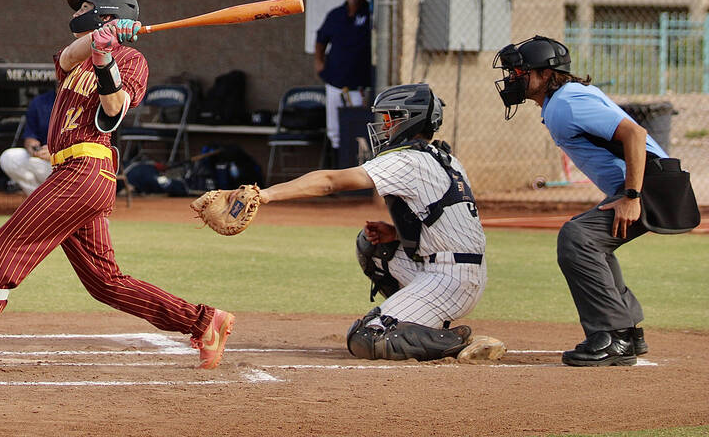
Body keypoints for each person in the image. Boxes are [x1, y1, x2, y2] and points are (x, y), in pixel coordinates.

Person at [0, 0, 235, 373]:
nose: (76, 13)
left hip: (86, 169)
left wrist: (106, 57)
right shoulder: (77, 59)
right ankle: (203, 322)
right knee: (105, 282)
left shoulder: (133, 61)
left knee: (7, 242)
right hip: (69, 171)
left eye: (84, 7)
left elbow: (113, 109)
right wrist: (99, 42)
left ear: (108, 14)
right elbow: (67, 56)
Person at [230, 83, 504, 363]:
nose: (383, 126)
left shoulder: (408, 160)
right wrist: (397, 234)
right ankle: (416, 318)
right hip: (451, 269)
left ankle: (461, 343)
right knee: (373, 247)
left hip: (451, 279)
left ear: (410, 120)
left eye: (390, 118)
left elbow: (330, 182)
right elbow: (451, 223)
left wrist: (265, 194)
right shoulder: (445, 159)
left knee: (367, 338)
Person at [494, 35, 663, 367]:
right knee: (589, 240)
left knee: (578, 237)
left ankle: (612, 336)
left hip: (652, 187)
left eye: (520, 72)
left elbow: (635, 134)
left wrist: (631, 196)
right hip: (652, 184)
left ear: (546, 74)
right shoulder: (563, 100)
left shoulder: (567, 101)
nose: (513, 78)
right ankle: (628, 331)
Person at [314, 0, 372, 164]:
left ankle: (355, 167)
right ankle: (336, 166)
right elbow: (321, 40)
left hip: (359, 85)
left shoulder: (370, 13)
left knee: (357, 128)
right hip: (335, 80)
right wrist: (319, 63)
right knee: (334, 130)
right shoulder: (336, 14)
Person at [0, 87, 57, 195]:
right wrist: (32, 147)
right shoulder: (40, 101)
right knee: (9, 157)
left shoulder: (82, 101)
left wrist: (57, 153)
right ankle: (39, 200)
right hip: (45, 163)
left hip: (71, 165)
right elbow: (30, 136)